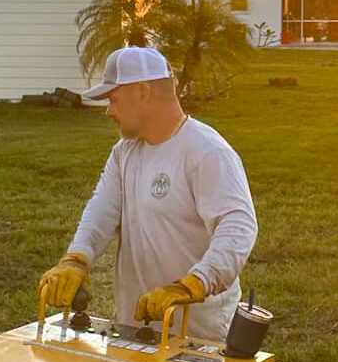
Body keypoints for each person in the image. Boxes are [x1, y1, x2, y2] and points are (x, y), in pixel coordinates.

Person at [40, 46, 257, 342]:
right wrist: (76, 259)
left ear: (143, 91)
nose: (109, 110)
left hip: (198, 336)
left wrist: (192, 284)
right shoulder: (125, 153)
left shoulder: (207, 151)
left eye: (113, 99)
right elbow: (101, 211)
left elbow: (238, 226)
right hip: (135, 331)